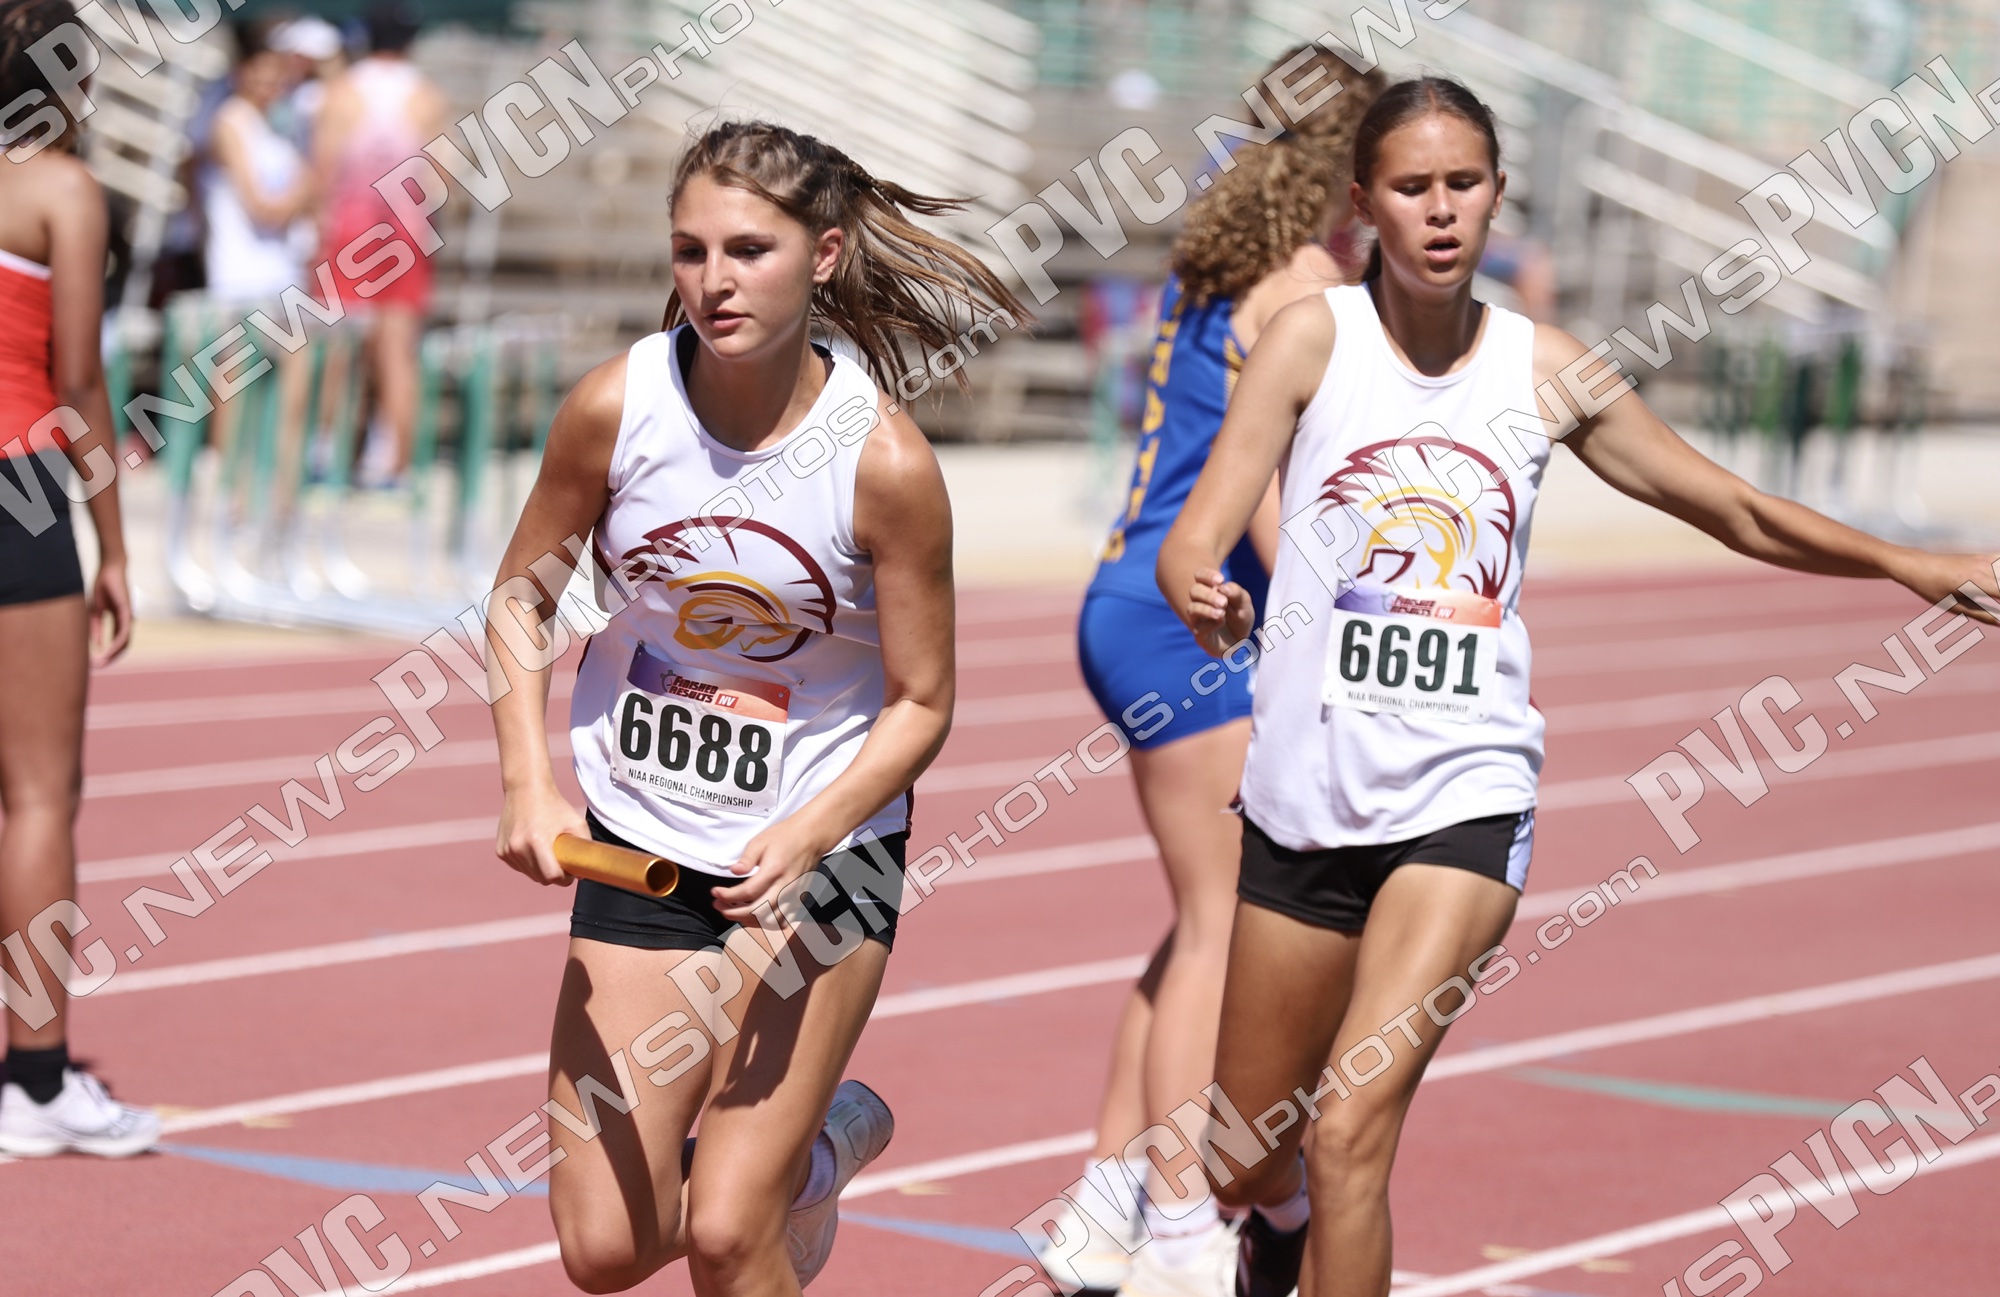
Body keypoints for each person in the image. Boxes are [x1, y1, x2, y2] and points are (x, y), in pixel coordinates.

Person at [1156, 77, 2000, 1297]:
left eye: (1461, 184)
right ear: (1363, 203)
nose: (1439, 210)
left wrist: (1904, 563)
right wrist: (1203, 592)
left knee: (1349, 1132)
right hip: (1302, 794)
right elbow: (1196, 534)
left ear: (1497, 194)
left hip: (1460, 797)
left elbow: (1731, 506)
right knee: (1245, 1154)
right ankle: (1270, 1224)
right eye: (1410, 187)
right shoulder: (1310, 341)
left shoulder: (1541, 369)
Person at [485, 120, 1025, 1293]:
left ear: (821, 256)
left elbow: (922, 702)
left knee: (729, 1229)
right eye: (691, 251)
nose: (713, 281)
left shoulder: (881, 462)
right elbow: (520, 599)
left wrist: (810, 830)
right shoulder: (615, 407)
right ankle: (816, 1158)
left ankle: (780, 1169)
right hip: (642, 841)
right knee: (603, 1249)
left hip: (817, 861)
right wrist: (528, 780)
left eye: (747, 250)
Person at [1044, 44, 1385, 1297]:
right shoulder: (1302, 283)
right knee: (1220, 925)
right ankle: (1182, 1227)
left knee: (1199, 915)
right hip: (1186, 615)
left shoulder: (1221, 257)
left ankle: (1104, 1197)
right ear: (1352, 170)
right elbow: (1273, 509)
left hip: (1133, 599)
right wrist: (1356, 633)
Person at [0, 0, 151, 1158]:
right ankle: (39, 1082)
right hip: (17, 491)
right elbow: (80, 380)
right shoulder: (61, 189)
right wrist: (115, 547)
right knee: (39, 796)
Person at [312, 0, 446, 486]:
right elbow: (440, 179)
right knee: (397, 350)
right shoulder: (427, 96)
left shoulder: (342, 93)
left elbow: (322, 173)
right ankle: (397, 466)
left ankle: (325, 453)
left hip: (349, 233)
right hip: (405, 236)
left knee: (338, 348)